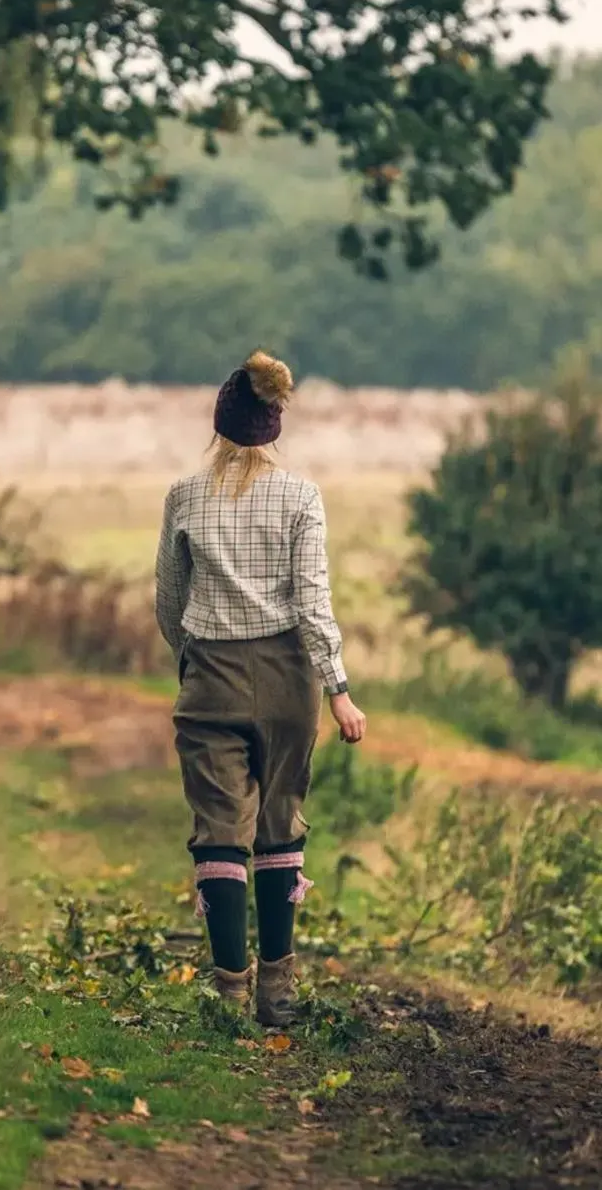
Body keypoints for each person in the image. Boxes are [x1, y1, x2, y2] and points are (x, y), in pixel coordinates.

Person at [155, 349, 366, 1027]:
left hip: (209, 678)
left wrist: (192, 658)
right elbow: (313, 602)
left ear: (219, 424)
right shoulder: (301, 496)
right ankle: (277, 987)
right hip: (287, 683)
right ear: (273, 425)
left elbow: (168, 600)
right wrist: (337, 687)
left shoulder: (184, 496)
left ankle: (227, 992)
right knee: (281, 828)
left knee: (219, 832)